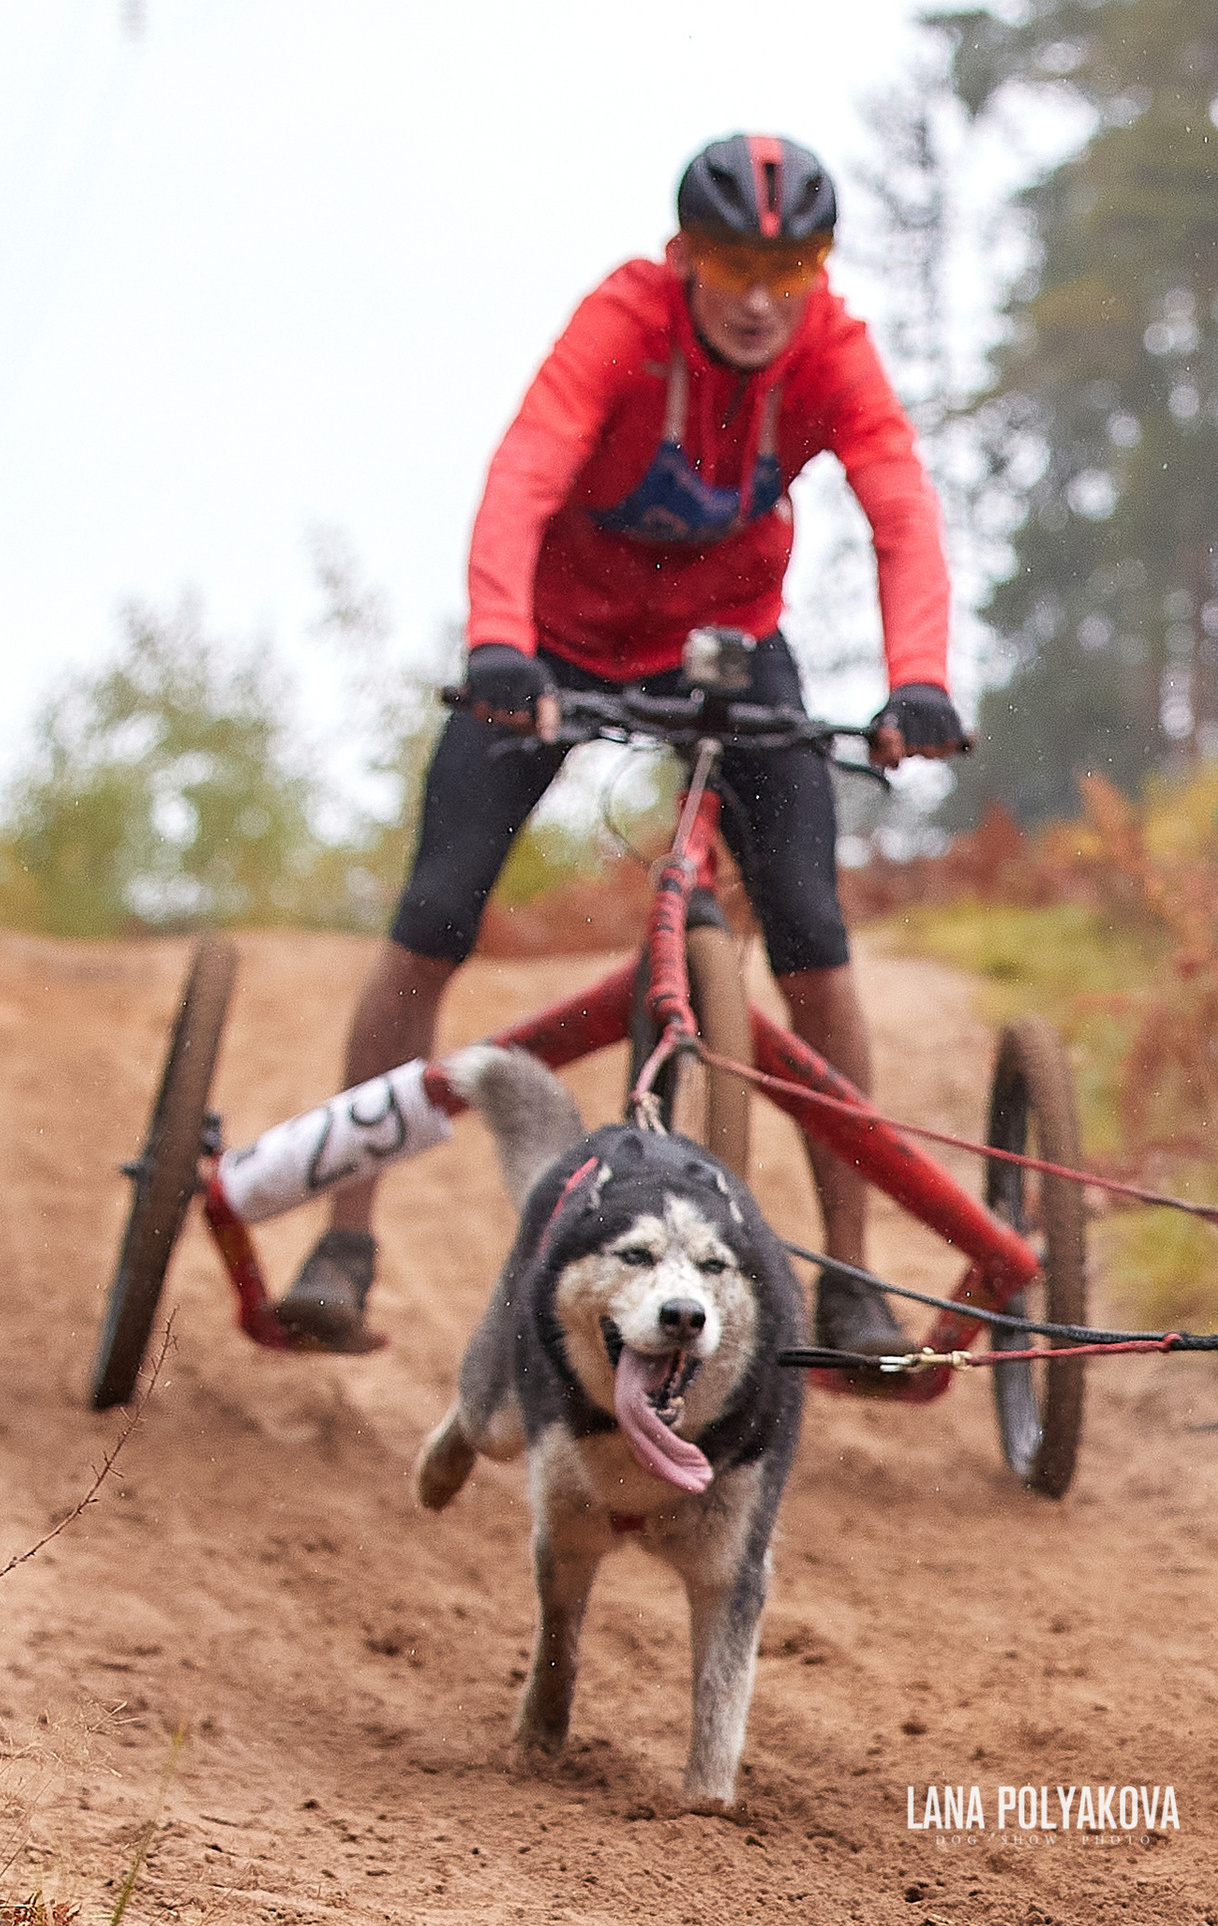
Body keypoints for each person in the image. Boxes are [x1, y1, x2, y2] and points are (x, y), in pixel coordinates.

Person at [275, 132, 964, 1369]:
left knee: (812, 934)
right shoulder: (624, 318)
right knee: (435, 913)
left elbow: (899, 508)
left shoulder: (831, 348)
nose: (759, 296)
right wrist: (499, 643)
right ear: (683, 253)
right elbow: (525, 472)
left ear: (817, 267)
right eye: (730, 261)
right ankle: (346, 1238)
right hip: (554, 640)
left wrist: (918, 676)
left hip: (727, 645)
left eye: (791, 263)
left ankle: (852, 1278)